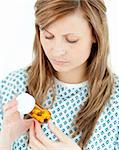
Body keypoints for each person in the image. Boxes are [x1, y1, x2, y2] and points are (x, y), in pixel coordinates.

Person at [0, 0, 119, 149]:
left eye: (71, 40)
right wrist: (5, 140)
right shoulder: (12, 86)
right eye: (48, 36)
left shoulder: (115, 103)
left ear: (96, 35)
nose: (57, 51)